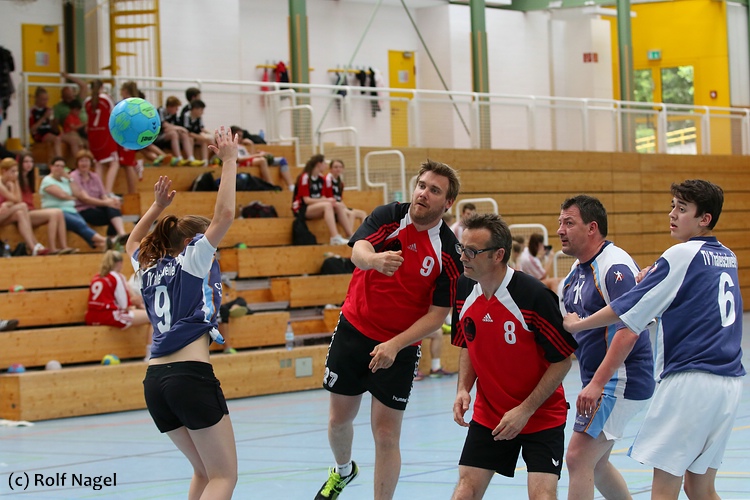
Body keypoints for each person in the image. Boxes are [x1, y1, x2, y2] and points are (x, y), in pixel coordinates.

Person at [563, 179, 745, 500]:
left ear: (705, 219)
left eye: (682, 209)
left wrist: (579, 325)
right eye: (672, 206)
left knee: (663, 491)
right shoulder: (727, 256)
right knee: (700, 488)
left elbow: (626, 310)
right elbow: (691, 300)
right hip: (729, 383)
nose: (672, 214)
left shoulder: (680, 254)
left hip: (690, 381)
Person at [316, 159, 463, 500]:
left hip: (400, 346)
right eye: (422, 185)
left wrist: (395, 345)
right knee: (339, 420)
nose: (423, 193)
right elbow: (358, 250)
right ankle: (343, 471)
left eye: (434, 190)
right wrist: (374, 261)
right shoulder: (390, 216)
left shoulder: (448, 251)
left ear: (447, 203)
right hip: (354, 329)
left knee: (385, 434)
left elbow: (437, 315)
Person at [125, 126, 239, 499]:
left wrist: (158, 206)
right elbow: (225, 214)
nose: (214, 250)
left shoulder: (148, 267)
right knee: (223, 477)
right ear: (192, 243)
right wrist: (230, 161)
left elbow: (132, 242)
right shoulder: (193, 261)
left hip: (155, 382)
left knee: (204, 471)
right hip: (190, 376)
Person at [451, 213, 577, 500]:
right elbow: (468, 342)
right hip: (490, 414)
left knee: (542, 495)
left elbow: (562, 360)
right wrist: (463, 388)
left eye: (472, 251)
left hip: (541, 414)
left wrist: (525, 410)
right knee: (465, 490)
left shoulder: (532, 296)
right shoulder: (463, 288)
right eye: (462, 248)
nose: (463, 257)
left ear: (498, 255)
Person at [557, 195, 655, 500]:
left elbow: (631, 328)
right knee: (596, 464)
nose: (560, 230)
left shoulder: (614, 265)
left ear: (592, 228)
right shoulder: (573, 275)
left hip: (621, 379)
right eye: (560, 222)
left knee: (578, 457)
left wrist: (598, 383)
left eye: (569, 223)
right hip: (600, 379)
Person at [39, 156, 109, 250]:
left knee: (82, 224)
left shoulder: (65, 180)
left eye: (62, 166)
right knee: (79, 224)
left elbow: (77, 192)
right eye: (57, 166)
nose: (59, 168)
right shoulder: (47, 180)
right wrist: (73, 197)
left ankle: (99, 243)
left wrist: (70, 179)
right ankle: (105, 241)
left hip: (71, 210)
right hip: (57, 210)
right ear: (51, 167)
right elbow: (62, 195)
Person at [69, 149, 128, 243]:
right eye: (81, 161)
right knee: (110, 210)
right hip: (83, 209)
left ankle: (121, 234)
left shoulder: (95, 176)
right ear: (77, 163)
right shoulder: (73, 177)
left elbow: (103, 194)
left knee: (113, 207)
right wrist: (106, 203)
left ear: (90, 163)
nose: (84, 163)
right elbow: (85, 199)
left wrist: (110, 201)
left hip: (97, 207)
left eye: (86, 161)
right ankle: (113, 238)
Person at [293, 154, 352, 246]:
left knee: (337, 205)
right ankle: (335, 237)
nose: (326, 166)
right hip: (302, 209)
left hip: (316, 207)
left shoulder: (321, 178)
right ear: (318, 164)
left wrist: (328, 200)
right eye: (324, 163)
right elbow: (307, 200)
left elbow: (323, 197)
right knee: (327, 205)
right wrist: (326, 200)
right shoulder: (305, 177)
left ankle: (350, 236)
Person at [85, 250, 149, 329]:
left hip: (91, 316)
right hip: (109, 315)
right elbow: (124, 305)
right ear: (119, 263)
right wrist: (133, 305)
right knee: (152, 317)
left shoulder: (97, 276)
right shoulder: (116, 276)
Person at [0, 157, 52, 255]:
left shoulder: (10, 183)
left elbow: (16, 200)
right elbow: (17, 200)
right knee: (23, 206)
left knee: (20, 213)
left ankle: (33, 247)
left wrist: (7, 203)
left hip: (4, 213)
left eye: (16, 171)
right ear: (4, 171)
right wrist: (16, 182)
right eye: (13, 171)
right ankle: (35, 244)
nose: (16, 174)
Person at [84, 79, 121, 195]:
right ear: (102, 87)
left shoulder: (87, 101)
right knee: (114, 162)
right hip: (105, 134)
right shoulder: (106, 99)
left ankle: (99, 192)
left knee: (98, 163)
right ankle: (108, 191)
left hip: (93, 135)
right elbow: (115, 113)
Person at [155, 96, 201, 166]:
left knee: (184, 134)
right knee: (174, 133)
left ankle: (191, 158)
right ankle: (179, 158)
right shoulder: (160, 111)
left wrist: (177, 129)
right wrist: (179, 128)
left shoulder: (173, 114)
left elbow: (171, 126)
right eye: (176, 108)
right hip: (158, 136)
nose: (177, 110)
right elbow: (164, 125)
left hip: (167, 135)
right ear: (170, 107)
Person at [325, 158, 368, 230]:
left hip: (340, 205)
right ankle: (350, 235)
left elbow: (340, 198)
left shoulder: (341, 183)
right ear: (331, 169)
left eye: (340, 167)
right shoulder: (327, 180)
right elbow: (328, 196)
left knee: (363, 213)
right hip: (333, 206)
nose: (338, 169)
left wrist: (345, 207)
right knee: (351, 214)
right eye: (335, 167)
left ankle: (364, 234)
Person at [29, 86, 63, 162]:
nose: (45, 102)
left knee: (70, 137)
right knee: (56, 139)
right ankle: (60, 161)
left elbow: (52, 126)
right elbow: (32, 129)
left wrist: (53, 119)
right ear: (37, 98)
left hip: (49, 132)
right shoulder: (32, 111)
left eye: (46, 99)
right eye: (43, 99)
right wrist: (44, 117)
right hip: (40, 133)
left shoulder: (47, 109)